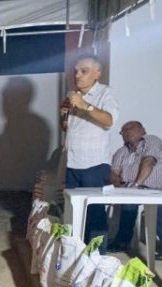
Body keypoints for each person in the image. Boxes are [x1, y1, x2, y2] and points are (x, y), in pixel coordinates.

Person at [61, 55, 120, 253]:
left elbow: (109, 120)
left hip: (94, 164)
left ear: (98, 73)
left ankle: (97, 258)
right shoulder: (75, 96)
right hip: (73, 163)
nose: (77, 75)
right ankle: (76, 254)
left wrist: (85, 106)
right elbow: (71, 129)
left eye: (84, 71)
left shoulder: (105, 93)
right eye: (76, 71)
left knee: (94, 212)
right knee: (73, 211)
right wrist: (64, 116)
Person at [108, 121, 162, 258]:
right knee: (128, 205)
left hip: (153, 189)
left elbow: (149, 161)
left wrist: (136, 185)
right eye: (123, 131)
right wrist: (117, 184)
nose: (126, 132)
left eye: (130, 129)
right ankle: (122, 243)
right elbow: (114, 173)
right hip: (127, 188)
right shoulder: (121, 151)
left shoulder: (151, 140)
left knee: (157, 209)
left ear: (142, 130)